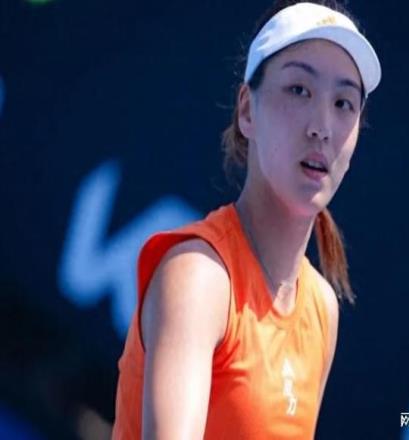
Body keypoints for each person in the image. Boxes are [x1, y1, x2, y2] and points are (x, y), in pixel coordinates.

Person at [112, 1, 381, 438]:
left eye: (343, 103)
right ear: (247, 110)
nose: (322, 126)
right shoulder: (198, 277)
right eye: (299, 90)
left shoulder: (321, 308)